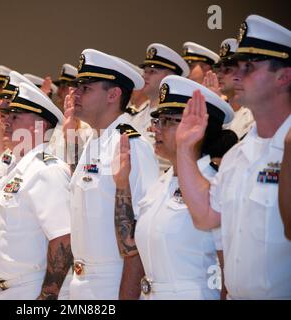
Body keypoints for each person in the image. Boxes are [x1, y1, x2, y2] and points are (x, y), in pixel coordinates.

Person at [175, 15, 291, 299]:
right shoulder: (238, 154)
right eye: (236, 66)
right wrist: (184, 149)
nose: (237, 75)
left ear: (284, 76)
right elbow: (205, 215)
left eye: (249, 66)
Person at [113, 75, 234, 299]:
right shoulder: (161, 183)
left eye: (167, 120)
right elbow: (131, 249)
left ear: (199, 127)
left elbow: (231, 271)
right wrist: (122, 185)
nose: (155, 128)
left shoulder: (215, 183)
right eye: (157, 120)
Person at [68, 48, 158, 299]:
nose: (75, 93)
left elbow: (140, 234)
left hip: (112, 284)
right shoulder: (93, 141)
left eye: (86, 88)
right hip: (80, 282)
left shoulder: (131, 145)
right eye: (76, 87)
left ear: (113, 94)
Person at [0, 82, 73, 299]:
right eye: (7, 115)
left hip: (29, 290)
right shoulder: (17, 166)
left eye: (15, 116)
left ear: (40, 126)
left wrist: (47, 296)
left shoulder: (48, 170)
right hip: (0, 288)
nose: (5, 121)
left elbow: (64, 238)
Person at [132, 43, 190, 172]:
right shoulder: (136, 115)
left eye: (152, 72)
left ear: (170, 78)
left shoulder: (174, 119)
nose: (145, 76)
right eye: (145, 71)